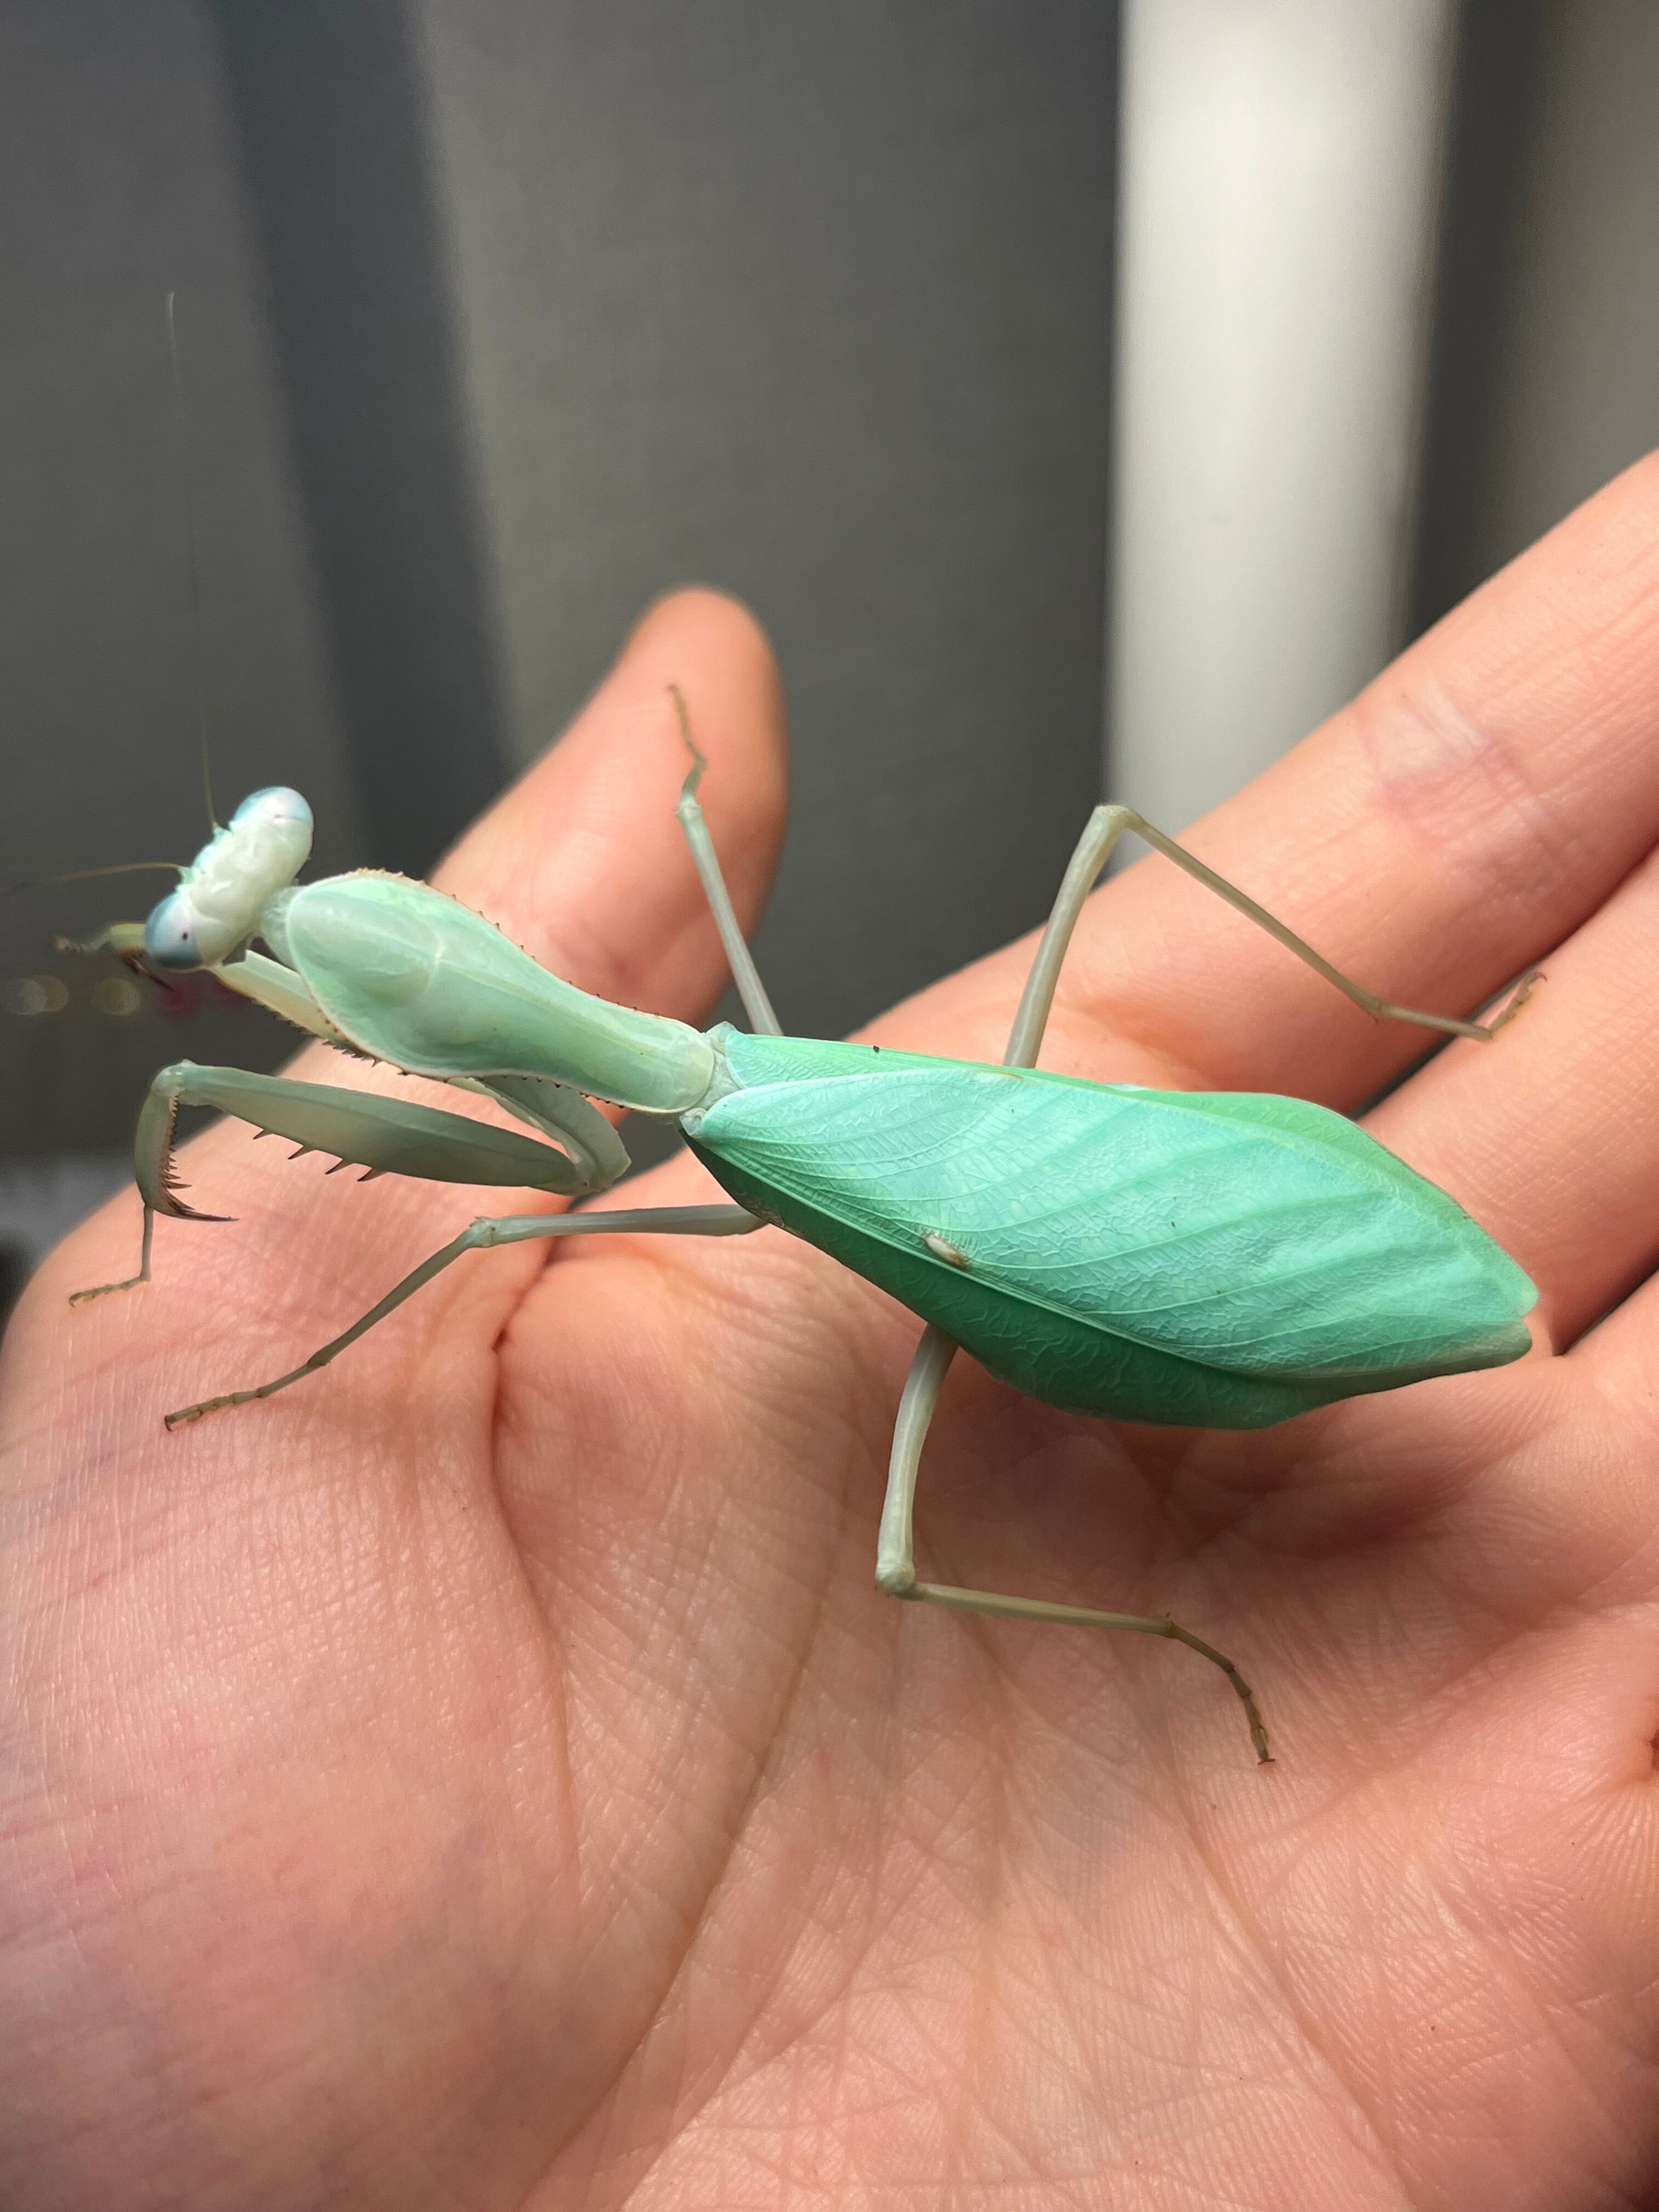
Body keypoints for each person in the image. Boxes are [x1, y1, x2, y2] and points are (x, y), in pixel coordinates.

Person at [5, 462, 1659, 2209]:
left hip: (1047, 1247)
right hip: (968, 1159)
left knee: (869, 1529)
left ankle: (1225, 1537)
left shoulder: (622, 1118)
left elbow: (537, 1171)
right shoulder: (666, 1054)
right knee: (1105, 836)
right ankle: (1407, 1037)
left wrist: (286, 1351)